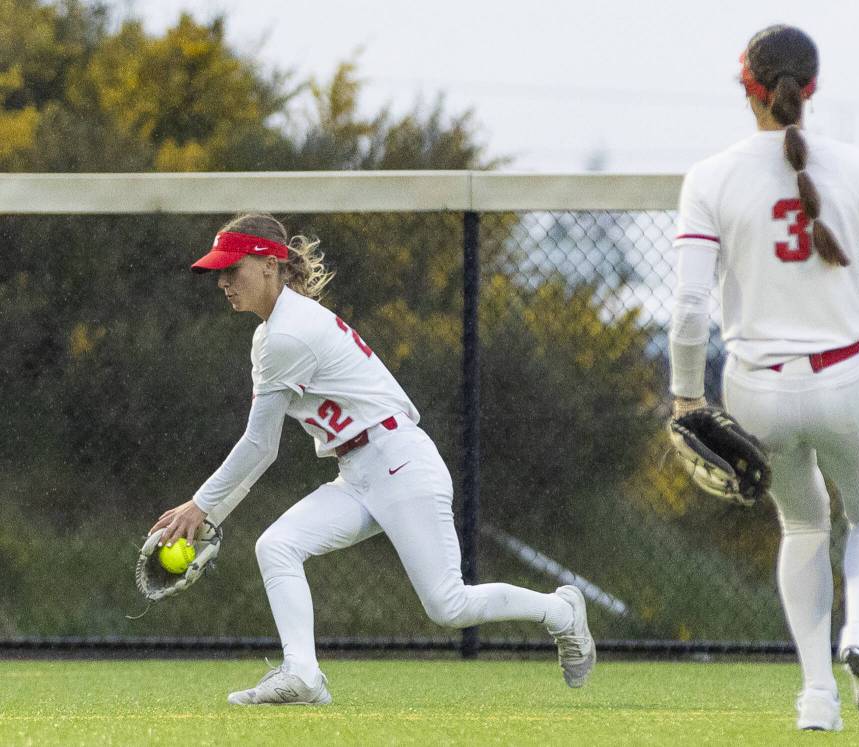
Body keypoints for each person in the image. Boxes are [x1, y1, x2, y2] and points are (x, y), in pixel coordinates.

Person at [149, 213, 595, 705]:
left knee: (447, 605)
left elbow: (260, 446)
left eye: (234, 268)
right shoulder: (274, 331)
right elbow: (261, 449)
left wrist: (201, 508)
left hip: (399, 462)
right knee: (276, 546)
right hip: (359, 470)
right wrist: (210, 513)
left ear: (270, 264)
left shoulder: (286, 335)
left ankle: (561, 612)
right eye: (219, 272)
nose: (225, 281)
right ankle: (303, 676)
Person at [669, 25, 859, 731]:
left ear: (747, 85)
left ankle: (817, 695)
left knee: (804, 524)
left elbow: (691, 311)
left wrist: (687, 394)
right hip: (846, 376)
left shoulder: (711, 176)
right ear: (809, 89)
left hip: (756, 385)